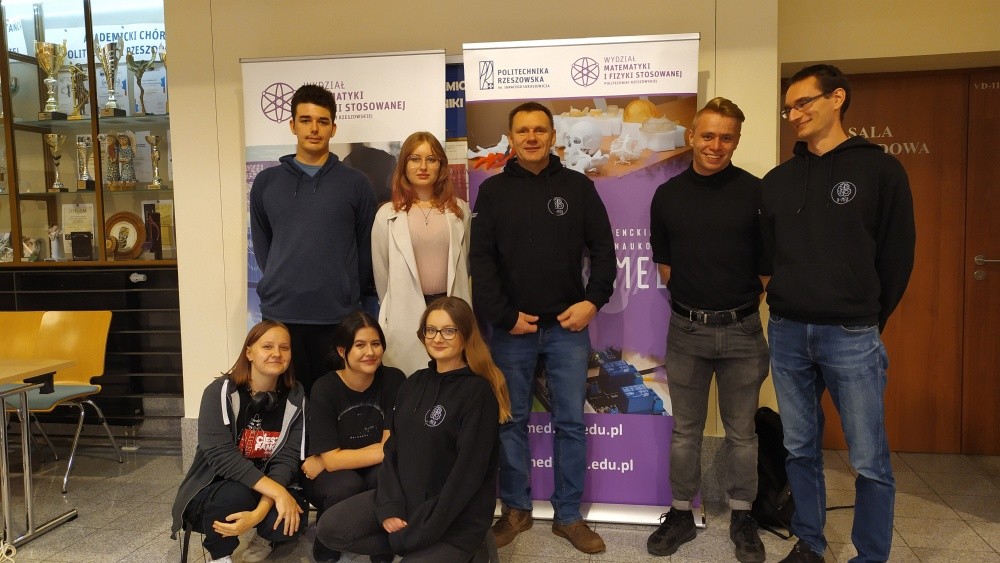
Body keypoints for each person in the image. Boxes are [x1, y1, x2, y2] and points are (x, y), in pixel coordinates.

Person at [760, 64, 915, 563]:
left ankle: (871, 555)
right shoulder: (778, 181)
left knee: (868, 457)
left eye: (803, 103)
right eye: (788, 108)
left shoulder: (880, 170)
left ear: (837, 98)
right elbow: (767, 257)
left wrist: (868, 317)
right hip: (787, 333)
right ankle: (810, 542)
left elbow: (897, 255)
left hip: (851, 334)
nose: (794, 114)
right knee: (800, 448)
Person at [470, 102, 616, 554]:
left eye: (539, 130)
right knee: (510, 421)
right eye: (522, 131)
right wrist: (503, 316)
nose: (531, 137)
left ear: (553, 136)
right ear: (511, 138)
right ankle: (516, 509)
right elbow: (481, 262)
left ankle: (568, 515)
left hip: (567, 329)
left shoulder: (577, 187)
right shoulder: (492, 192)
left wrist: (592, 302)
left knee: (570, 422)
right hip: (512, 331)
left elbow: (604, 251)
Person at [646, 97, 769, 562]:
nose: (716, 145)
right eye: (708, 135)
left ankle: (743, 516)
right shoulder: (668, 195)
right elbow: (665, 266)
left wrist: (733, 305)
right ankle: (681, 513)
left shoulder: (757, 193)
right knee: (685, 431)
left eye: (726, 137)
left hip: (742, 330)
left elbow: (767, 267)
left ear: (736, 141)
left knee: (742, 434)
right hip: (687, 330)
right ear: (691, 137)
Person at [316, 296, 511, 562]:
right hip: (407, 499)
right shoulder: (413, 384)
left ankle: (471, 549)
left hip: (453, 516)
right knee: (330, 529)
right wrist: (389, 505)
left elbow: (466, 477)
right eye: (431, 330)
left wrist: (419, 531)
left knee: (420, 545)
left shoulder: (478, 393)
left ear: (465, 335)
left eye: (449, 330)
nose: (438, 338)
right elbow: (392, 451)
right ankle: (416, 549)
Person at [250, 83, 377, 395]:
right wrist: (282, 278)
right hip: (281, 314)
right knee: (284, 401)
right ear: (292, 125)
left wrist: (346, 289)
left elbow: (365, 248)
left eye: (322, 121)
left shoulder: (356, 183)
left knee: (331, 402)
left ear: (333, 128)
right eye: (305, 120)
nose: (314, 129)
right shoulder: (267, 182)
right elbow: (264, 247)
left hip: (337, 316)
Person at [170, 321, 307, 563]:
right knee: (235, 495)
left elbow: (287, 459)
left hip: (265, 486)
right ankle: (220, 555)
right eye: (267, 346)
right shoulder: (218, 392)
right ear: (249, 352)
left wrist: (260, 512)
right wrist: (278, 493)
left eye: (284, 347)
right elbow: (222, 457)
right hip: (215, 488)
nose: (277, 353)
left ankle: (265, 537)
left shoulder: (296, 396)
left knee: (293, 517)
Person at [302, 311, 405, 562]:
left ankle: (382, 550)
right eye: (360, 345)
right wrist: (330, 461)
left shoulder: (394, 379)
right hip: (332, 478)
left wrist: (328, 460)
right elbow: (335, 462)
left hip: (369, 467)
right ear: (342, 351)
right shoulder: (325, 387)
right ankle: (327, 548)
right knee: (346, 486)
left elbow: (390, 447)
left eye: (375, 344)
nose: (370, 352)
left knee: (385, 477)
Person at [372, 131, 472, 375]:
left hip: (450, 308)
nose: (423, 166)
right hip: (405, 312)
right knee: (408, 382)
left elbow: (467, 264)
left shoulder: (460, 211)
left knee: (451, 379)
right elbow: (382, 275)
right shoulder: (387, 215)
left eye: (431, 159)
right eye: (415, 159)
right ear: (404, 165)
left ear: (441, 165)